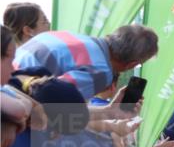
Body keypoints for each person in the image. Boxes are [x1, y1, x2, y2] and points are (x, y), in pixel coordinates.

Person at [14, 24, 158, 101]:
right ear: (131, 64)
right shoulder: (101, 72)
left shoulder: (69, 36)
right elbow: (51, 103)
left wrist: (109, 111)